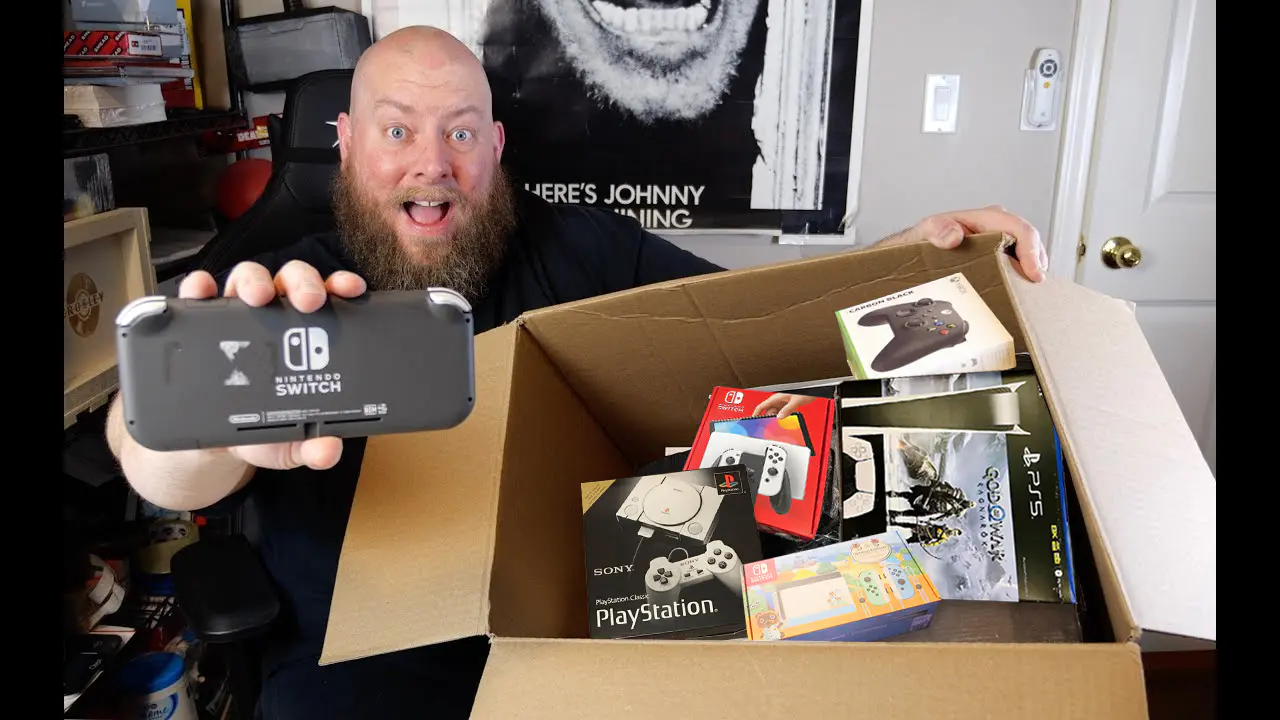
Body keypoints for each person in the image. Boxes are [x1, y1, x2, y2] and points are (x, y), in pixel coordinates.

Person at [105, 25, 1048, 719]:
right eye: (396, 132)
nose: (433, 164)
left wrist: (910, 254)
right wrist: (205, 426)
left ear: (495, 148)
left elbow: (754, 320)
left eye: (461, 133)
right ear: (345, 145)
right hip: (358, 672)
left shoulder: (581, 248)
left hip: (587, 636)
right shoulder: (280, 297)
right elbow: (149, 454)